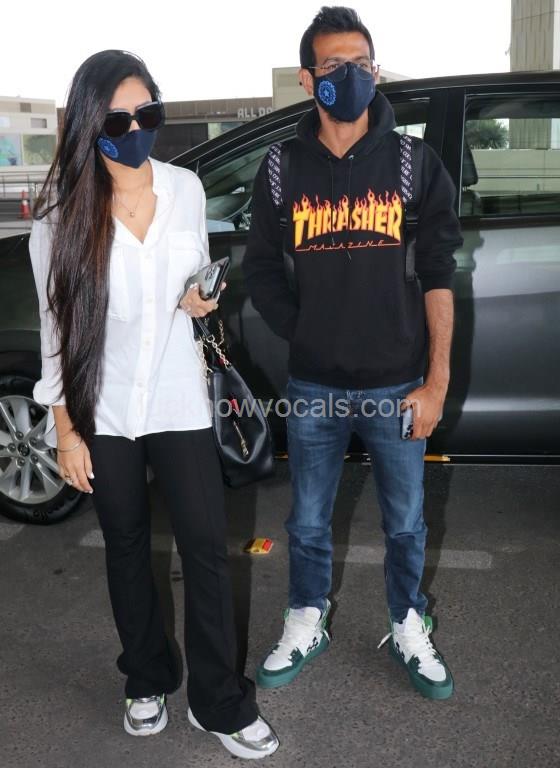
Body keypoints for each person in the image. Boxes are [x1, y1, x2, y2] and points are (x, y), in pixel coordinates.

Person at [29, 49, 278, 759]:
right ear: (89, 125)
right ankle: (146, 675)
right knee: (127, 547)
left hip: (179, 397)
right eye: (118, 120)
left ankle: (218, 701)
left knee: (206, 548)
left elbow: (192, 285)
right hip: (103, 407)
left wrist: (200, 298)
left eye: (149, 114)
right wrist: (65, 431)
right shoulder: (58, 219)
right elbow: (55, 333)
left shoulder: (186, 189)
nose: (136, 130)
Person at [243, 7, 463, 700]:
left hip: (398, 385)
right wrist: (304, 330)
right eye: (335, 65)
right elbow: (260, 269)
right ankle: (306, 617)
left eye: (362, 64)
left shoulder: (413, 163)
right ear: (309, 79)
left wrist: (436, 382)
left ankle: (408, 621)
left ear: (376, 70)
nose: (352, 76)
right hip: (313, 385)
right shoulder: (280, 169)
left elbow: (439, 275)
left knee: (406, 523)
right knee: (307, 521)